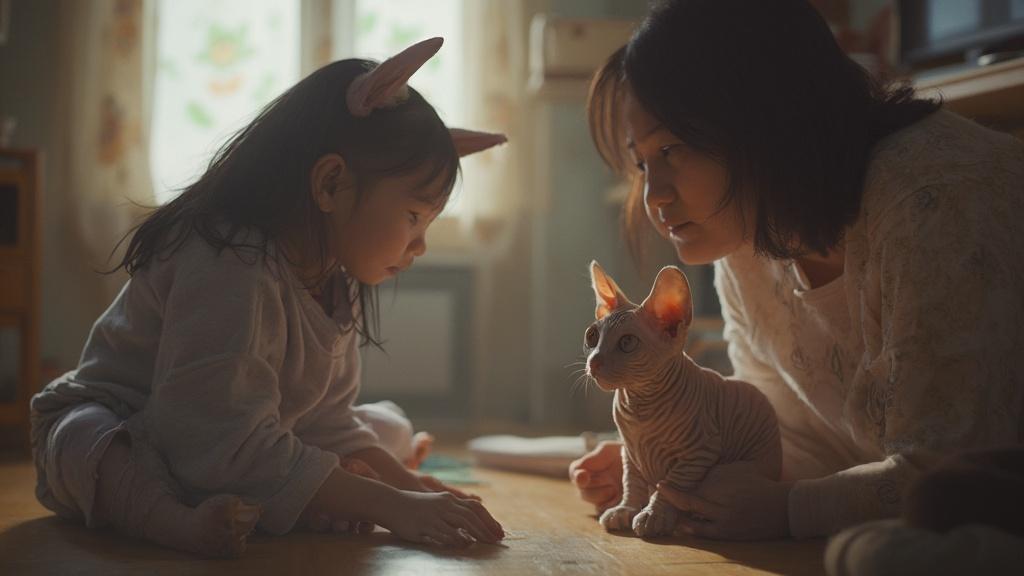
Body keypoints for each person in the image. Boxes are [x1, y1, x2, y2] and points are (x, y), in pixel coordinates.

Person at [31, 37, 507, 557]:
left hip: (220, 446)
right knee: (84, 437)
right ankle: (171, 520)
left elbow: (328, 421)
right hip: (131, 425)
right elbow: (210, 432)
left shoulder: (333, 277)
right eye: (414, 217)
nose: (420, 245)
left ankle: (263, 496)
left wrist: (412, 489)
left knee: (383, 429)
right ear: (330, 184)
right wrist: (391, 505)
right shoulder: (230, 257)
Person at [570, 0, 1024, 541]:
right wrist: (669, 455)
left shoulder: (934, 203)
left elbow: (953, 478)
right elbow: (786, 435)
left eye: (671, 148)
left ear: (762, 116)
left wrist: (788, 508)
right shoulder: (745, 231)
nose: (653, 195)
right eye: (643, 162)